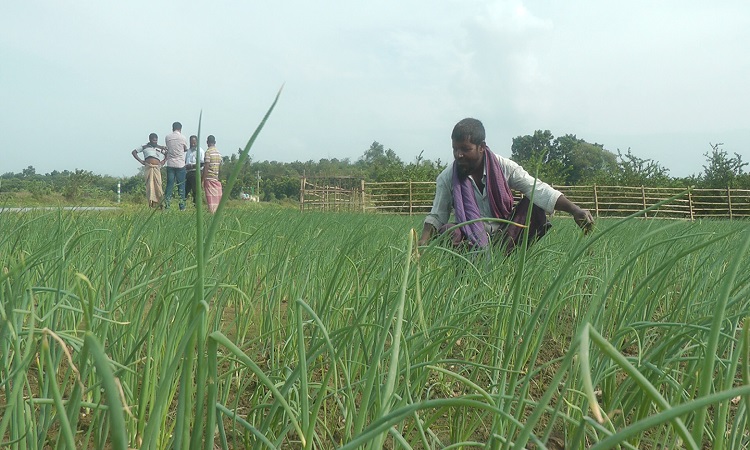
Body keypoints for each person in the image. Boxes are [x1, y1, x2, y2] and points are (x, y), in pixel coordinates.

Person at [419, 118, 594, 252]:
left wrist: (574, 210)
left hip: (506, 233)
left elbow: (537, 189)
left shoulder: (504, 167)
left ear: (481, 147)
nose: (459, 155)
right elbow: (437, 214)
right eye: (455, 149)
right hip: (470, 235)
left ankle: (509, 258)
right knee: (448, 231)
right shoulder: (447, 177)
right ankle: (468, 270)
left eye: (465, 149)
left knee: (534, 206)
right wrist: (422, 243)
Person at [131, 133, 167, 208]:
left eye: (156, 140)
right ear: (150, 140)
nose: (155, 142)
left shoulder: (160, 147)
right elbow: (134, 152)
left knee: (158, 185)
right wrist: (141, 161)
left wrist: (164, 161)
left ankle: (161, 204)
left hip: (157, 168)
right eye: (153, 140)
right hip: (148, 167)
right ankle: (151, 204)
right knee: (150, 186)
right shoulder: (144, 146)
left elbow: (167, 154)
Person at [164, 121, 188, 210]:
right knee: (181, 186)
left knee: (169, 186)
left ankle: (167, 206)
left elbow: (168, 147)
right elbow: (185, 148)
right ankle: (182, 206)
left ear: (172, 128)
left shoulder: (168, 137)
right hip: (180, 164)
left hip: (170, 163)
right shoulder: (183, 138)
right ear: (180, 129)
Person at [202, 135, 223, 214]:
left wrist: (202, 179)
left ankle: (211, 212)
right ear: (215, 142)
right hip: (215, 178)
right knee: (216, 198)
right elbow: (220, 167)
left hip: (209, 178)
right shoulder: (218, 153)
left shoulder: (208, 152)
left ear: (207, 142)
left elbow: (206, 166)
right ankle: (216, 212)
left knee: (210, 198)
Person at [184, 135, 205, 206]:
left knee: (195, 190)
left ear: (197, 142)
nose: (193, 144)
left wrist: (192, 165)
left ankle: (196, 205)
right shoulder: (189, 151)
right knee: (185, 190)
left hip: (196, 172)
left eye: (194, 143)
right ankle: (183, 205)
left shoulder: (200, 151)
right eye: (191, 143)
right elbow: (186, 161)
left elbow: (202, 163)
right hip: (188, 173)